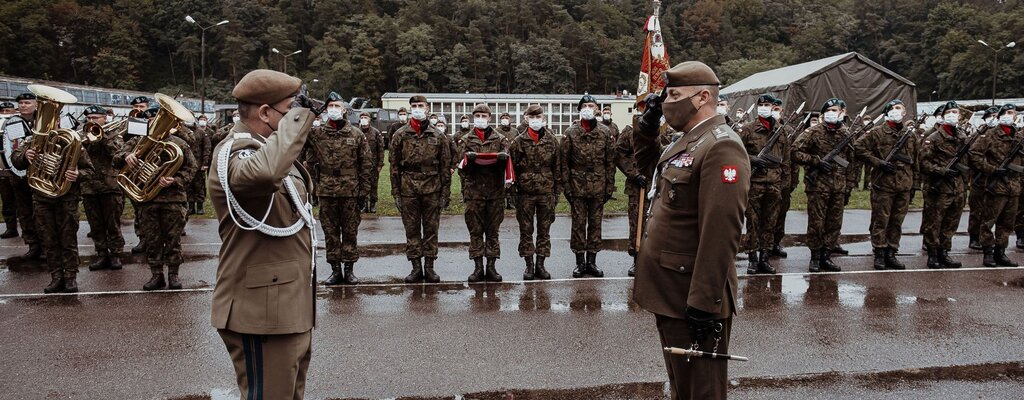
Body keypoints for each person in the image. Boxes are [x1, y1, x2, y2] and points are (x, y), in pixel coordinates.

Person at [632, 61, 750, 400]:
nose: (667, 102)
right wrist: (648, 126)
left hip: (693, 295)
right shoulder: (688, 141)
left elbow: (721, 231)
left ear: (701, 98)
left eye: (674, 95)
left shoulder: (721, 146)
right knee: (682, 384)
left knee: (702, 390)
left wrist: (704, 301)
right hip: (672, 289)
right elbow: (647, 168)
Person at [207, 69, 316, 400]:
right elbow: (265, 173)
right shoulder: (237, 152)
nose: (296, 119)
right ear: (265, 113)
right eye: (289, 110)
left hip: (287, 308)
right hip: (260, 311)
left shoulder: (267, 148)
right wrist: (300, 118)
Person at [11, 101, 95, 293]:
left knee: (68, 239)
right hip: (42, 197)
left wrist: (77, 175)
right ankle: (56, 276)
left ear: (58, 120)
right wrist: (26, 156)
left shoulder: (72, 141)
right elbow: (15, 159)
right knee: (49, 239)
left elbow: (90, 171)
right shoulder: (31, 141)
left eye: (52, 119)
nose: (49, 123)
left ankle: (71, 277)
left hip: (66, 197)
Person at [114, 103, 197, 291]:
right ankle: (156, 275)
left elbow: (191, 169)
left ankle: (173, 275)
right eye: (151, 119)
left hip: (173, 199)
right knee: (152, 239)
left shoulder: (179, 143)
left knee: (173, 239)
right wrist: (126, 156)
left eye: (157, 119)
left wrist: (175, 180)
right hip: (147, 199)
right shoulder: (137, 141)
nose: (154, 122)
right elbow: (115, 158)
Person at [304, 92, 372, 285]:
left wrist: (364, 192)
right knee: (330, 231)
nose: (333, 109)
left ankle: (349, 270)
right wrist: (308, 112)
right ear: (326, 110)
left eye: (337, 106)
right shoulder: (317, 133)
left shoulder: (356, 134)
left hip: (351, 190)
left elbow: (366, 164)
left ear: (344, 110)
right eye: (330, 106)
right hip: (327, 189)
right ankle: (335, 270)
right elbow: (296, 135)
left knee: (350, 231)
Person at [390, 95, 453, 283]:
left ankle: (430, 267)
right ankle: (416, 267)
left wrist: (445, 193)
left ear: (427, 108)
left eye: (420, 105)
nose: (417, 108)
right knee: (412, 230)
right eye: (414, 106)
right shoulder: (400, 135)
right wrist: (396, 193)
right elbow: (394, 167)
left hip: (432, 188)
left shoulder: (439, 136)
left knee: (431, 229)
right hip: (408, 188)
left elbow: (445, 166)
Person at [854, 99, 917, 270]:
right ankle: (880, 252)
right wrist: (878, 162)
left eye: (899, 108)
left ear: (905, 113)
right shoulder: (877, 132)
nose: (896, 111)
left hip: (904, 185)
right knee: (881, 220)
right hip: (883, 185)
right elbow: (858, 147)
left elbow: (915, 161)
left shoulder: (910, 135)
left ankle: (891, 252)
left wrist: (915, 185)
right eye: (892, 108)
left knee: (897, 221)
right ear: (886, 113)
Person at [561, 94, 616, 278]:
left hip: (598, 184)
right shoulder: (570, 133)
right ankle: (579, 262)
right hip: (577, 184)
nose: (588, 108)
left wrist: (609, 186)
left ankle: (592, 262)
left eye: (591, 105)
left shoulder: (605, 133)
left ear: (597, 109)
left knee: (595, 223)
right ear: (579, 109)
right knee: (578, 224)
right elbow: (564, 163)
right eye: (584, 105)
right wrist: (566, 187)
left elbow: (610, 162)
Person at [793, 98, 852, 272]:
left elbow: (851, 161)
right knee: (816, 223)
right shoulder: (813, 132)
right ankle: (815, 257)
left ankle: (827, 255)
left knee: (834, 223)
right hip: (818, 185)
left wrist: (849, 184)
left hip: (839, 186)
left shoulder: (846, 134)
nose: (833, 113)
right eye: (830, 110)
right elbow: (795, 152)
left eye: (836, 110)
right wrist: (815, 161)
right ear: (824, 113)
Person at [458, 104, 510, 282]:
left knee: (493, 231)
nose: (481, 118)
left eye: (484, 115)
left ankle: (491, 267)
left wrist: (502, 161)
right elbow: (461, 168)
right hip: (474, 192)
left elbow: (507, 165)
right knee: (475, 231)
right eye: (477, 115)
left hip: (495, 192)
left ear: (489, 117)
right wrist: (470, 162)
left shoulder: (500, 139)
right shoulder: (465, 140)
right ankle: (478, 267)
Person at [738, 94, 788, 274]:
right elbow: (736, 153)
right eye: (763, 105)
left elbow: (786, 161)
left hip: (774, 184)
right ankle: (752, 258)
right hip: (754, 184)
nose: (765, 108)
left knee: (770, 223)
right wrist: (752, 159)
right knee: (753, 222)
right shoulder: (747, 130)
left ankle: (764, 258)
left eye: (769, 105)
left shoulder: (781, 131)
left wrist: (784, 185)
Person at [509, 105, 559, 280]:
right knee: (526, 230)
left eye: (539, 117)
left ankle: (541, 265)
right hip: (525, 193)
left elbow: (557, 168)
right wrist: (513, 192)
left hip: (546, 191)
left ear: (544, 119)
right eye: (532, 117)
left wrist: (556, 192)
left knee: (544, 230)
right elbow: (512, 169)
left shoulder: (552, 140)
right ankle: (529, 265)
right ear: (526, 119)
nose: (536, 120)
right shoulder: (518, 142)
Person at [970, 104, 1021, 267]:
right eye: (1007, 113)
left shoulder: (1018, 137)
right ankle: (988, 253)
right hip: (995, 185)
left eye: (1013, 113)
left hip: (1013, 186)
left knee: (1007, 223)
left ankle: (1001, 252)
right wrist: (991, 169)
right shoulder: (990, 135)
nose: (1010, 115)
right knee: (989, 221)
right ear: (1000, 116)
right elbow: (974, 153)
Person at [80, 105, 127, 272]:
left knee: (112, 223)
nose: (92, 121)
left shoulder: (114, 134)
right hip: (89, 186)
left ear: (104, 118)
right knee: (95, 225)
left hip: (110, 185)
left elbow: (118, 153)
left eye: (96, 118)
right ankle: (101, 254)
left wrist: (103, 137)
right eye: (89, 118)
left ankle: (115, 255)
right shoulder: (81, 134)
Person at [920, 102, 966, 269]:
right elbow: (924, 163)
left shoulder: (962, 137)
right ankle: (933, 254)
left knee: (951, 223)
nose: (953, 115)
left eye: (956, 112)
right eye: (950, 112)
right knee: (935, 223)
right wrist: (942, 171)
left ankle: (944, 253)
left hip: (957, 188)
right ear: (943, 115)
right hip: (939, 189)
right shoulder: (933, 138)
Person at [3, 92, 42, 258]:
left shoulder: (44, 120)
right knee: (25, 211)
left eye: (27, 102)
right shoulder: (13, 122)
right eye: (21, 103)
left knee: (42, 211)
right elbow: (15, 146)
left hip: (41, 173)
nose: (23, 105)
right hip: (20, 172)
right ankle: (33, 245)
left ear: (36, 104)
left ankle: (48, 245)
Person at [614, 112, 649, 277]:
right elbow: (618, 154)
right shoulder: (629, 132)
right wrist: (634, 174)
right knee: (637, 222)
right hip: (638, 186)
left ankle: (654, 261)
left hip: (659, 183)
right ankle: (637, 259)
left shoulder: (664, 130)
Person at [969, 106, 1001, 250]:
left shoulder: (999, 135)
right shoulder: (978, 136)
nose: (994, 118)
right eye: (991, 115)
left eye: (996, 115)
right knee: (977, 211)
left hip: (996, 180)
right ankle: (974, 238)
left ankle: (987, 239)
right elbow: (971, 156)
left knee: (991, 212)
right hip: (980, 179)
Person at [0, 101, 22, 239]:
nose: (6, 114)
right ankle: (11, 228)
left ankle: (28, 230)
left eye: (9, 111)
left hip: (17, 167)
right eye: (3, 111)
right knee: (7, 200)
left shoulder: (18, 124)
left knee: (23, 200)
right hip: (3, 168)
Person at [357, 111, 386, 213]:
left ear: (369, 119)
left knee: (373, 185)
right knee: (362, 185)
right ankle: (363, 204)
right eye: (362, 117)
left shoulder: (375, 132)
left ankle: (373, 204)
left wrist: (380, 164)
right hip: (360, 165)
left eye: (366, 117)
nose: (364, 119)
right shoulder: (356, 132)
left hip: (373, 164)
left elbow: (381, 149)